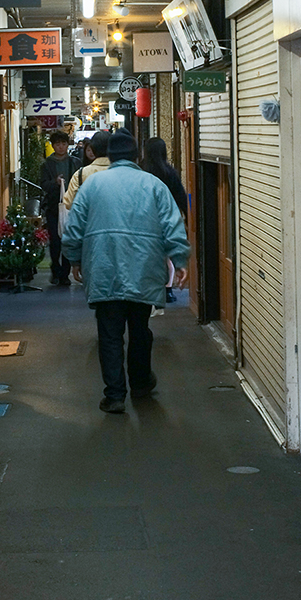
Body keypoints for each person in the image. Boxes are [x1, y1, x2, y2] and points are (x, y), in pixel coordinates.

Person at [61, 128, 192, 413]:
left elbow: (74, 229)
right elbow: (173, 224)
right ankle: (142, 383)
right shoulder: (153, 184)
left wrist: (74, 260)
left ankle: (115, 395)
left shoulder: (92, 185)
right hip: (144, 269)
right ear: (135, 155)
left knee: (109, 333)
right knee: (140, 329)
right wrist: (179, 259)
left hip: (103, 268)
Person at [142, 136, 189, 303]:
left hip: (145, 219)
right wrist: (188, 217)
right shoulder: (170, 172)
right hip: (167, 219)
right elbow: (181, 197)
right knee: (167, 256)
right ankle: (168, 290)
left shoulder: (140, 172)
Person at [39, 129, 73, 285]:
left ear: (67, 144)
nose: (61, 147)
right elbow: (43, 185)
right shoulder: (47, 164)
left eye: (63, 143)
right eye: (57, 144)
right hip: (53, 207)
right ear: (53, 146)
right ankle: (55, 269)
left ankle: (65, 273)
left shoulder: (75, 162)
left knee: (68, 239)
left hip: (71, 207)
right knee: (55, 240)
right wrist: (55, 182)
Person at [62, 130, 110, 210]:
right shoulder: (124, 173)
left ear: (93, 149)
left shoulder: (81, 174)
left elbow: (68, 203)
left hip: (89, 220)